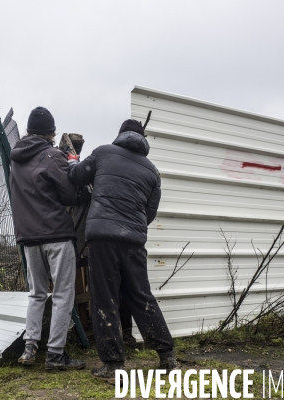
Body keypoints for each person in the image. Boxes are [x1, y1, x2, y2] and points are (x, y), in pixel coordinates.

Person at [68, 119, 176, 381]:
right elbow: (149, 212)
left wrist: (71, 160)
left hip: (102, 238)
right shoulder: (153, 172)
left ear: (120, 135)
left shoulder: (103, 152)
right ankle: (167, 355)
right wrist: (131, 227)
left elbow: (76, 176)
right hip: (133, 240)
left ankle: (114, 365)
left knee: (105, 298)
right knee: (141, 296)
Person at [10, 106, 86, 371]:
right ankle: (55, 354)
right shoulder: (53, 155)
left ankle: (30, 347)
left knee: (36, 293)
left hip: (28, 236)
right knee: (63, 294)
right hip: (56, 233)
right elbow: (68, 195)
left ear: (29, 131)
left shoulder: (16, 159)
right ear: (50, 132)